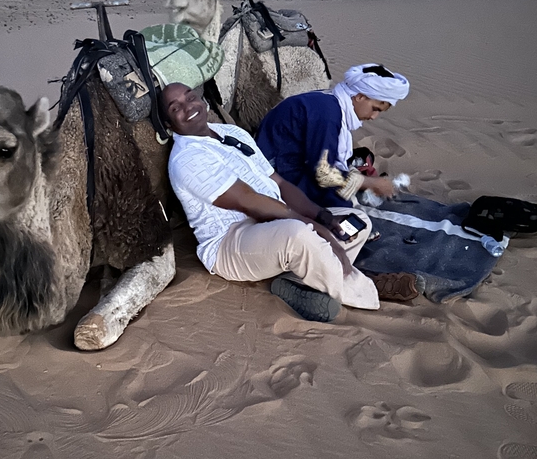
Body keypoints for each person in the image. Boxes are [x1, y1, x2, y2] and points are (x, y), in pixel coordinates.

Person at [161, 82, 392, 323]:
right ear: (169, 124)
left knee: (357, 222)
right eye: (175, 108)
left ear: (201, 99)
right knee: (298, 234)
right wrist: (316, 228)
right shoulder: (187, 158)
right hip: (232, 242)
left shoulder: (233, 134)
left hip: (275, 223)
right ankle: (370, 289)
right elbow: (248, 201)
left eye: (189, 98)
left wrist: (323, 216)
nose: (188, 107)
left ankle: (294, 280)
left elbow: (279, 184)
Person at [255, 63, 410, 208]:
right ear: (360, 96)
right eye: (375, 109)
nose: (374, 117)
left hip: (290, 160)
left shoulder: (330, 100)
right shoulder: (327, 113)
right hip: (272, 172)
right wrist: (370, 183)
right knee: (342, 207)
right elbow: (322, 172)